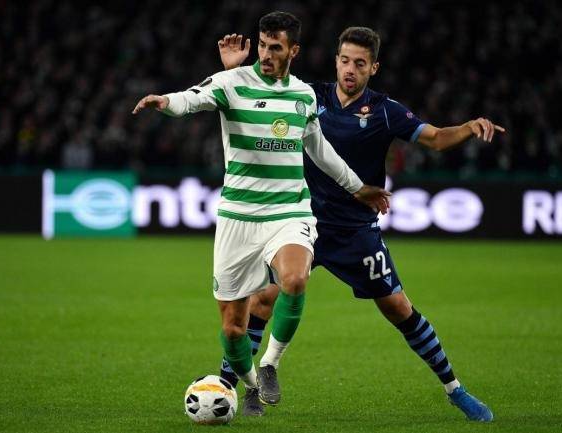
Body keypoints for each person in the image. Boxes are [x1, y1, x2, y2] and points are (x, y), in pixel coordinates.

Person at [217, 27, 505, 421]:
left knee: (398, 308)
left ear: (373, 68)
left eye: (359, 63)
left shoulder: (385, 110)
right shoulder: (308, 96)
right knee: (261, 300)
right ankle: (228, 387)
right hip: (298, 222)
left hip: (355, 231)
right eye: (344, 60)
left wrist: (469, 127)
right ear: (336, 61)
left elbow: (436, 138)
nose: (350, 69)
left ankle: (456, 390)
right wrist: (233, 71)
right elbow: (259, 87)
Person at [132, 12, 390, 418]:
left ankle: (270, 363)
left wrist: (358, 188)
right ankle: (250, 386)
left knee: (295, 279)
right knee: (233, 328)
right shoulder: (231, 82)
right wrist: (165, 102)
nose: (267, 54)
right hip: (238, 216)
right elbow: (192, 98)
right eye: (263, 45)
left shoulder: (303, 96)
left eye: (276, 48)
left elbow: (320, 151)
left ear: (293, 50)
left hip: (288, 210)